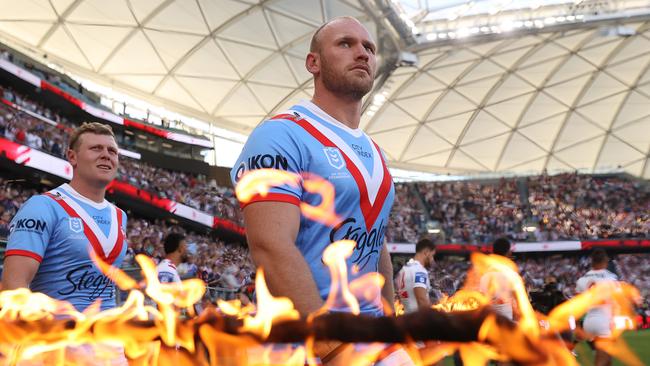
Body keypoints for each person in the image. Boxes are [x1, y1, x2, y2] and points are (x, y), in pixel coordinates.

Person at [231, 16, 407, 365]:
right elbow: (270, 245)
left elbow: (375, 241)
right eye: (345, 44)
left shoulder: (375, 151)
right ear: (314, 62)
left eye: (369, 48)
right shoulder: (280, 135)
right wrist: (327, 343)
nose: (362, 53)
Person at [2, 122, 127, 312]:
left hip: (109, 335)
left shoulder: (120, 216)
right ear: (72, 156)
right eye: (96, 148)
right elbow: (14, 284)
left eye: (112, 151)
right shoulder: (42, 206)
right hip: (59, 335)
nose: (106, 155)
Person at [576, 249, 618, 366]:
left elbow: (577, 305)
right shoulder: (611, 277)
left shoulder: (582, 279)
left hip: (588, 321)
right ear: (605, 261)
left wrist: (578, 325)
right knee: (601, 359)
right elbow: (616, 301)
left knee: (608, 359)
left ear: (592, 262)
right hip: (604, 321)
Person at [480, 237, 517, 321]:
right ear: (508, 253)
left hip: (489, 321)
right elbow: (518, 301)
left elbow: (482, 298)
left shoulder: (485, 275)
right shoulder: (512, 275)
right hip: (506, 322)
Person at [396, 238, 435, 313]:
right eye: (432, 255)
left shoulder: (403, 269)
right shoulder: (419, 270)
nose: (432, 259)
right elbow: (421, 299)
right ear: (426, 252)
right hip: (418, 319)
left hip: (406, 316)